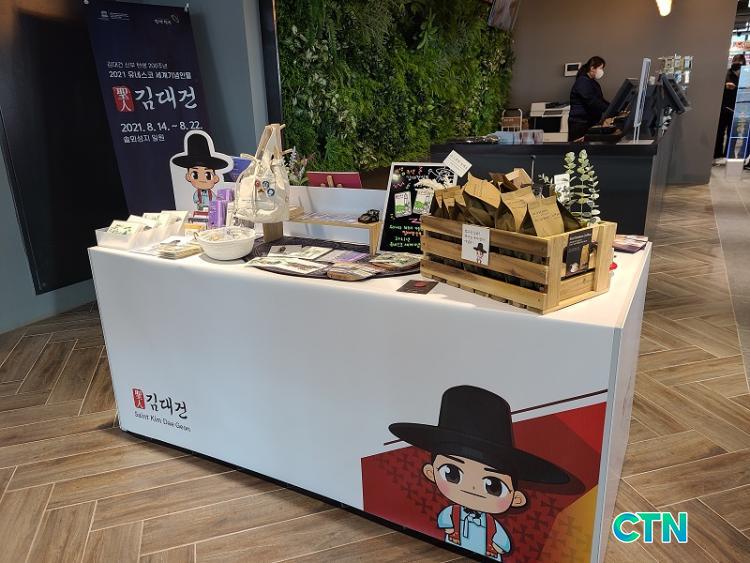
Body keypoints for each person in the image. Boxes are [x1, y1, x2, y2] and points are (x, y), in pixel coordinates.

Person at [714, 54, 746, 164]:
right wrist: (725, 86)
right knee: (720, 132)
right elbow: (718, 88)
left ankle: (729, 154)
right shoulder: (726, 73)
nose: (737, 64)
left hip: (737, 108)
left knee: (733, 133)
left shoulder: (745, 76)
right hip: (724, 107)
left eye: (739, 63)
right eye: (735, 62)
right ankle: (717, 154)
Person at [568, 56, 609, 141]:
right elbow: (592, 101)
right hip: (580, 124)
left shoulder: (592, 82)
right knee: (579, 148)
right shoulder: (582, 81)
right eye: (600, 68)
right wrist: (610, 110)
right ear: (592, 68)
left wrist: (613, 108)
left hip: (589, 122)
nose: (602, 71)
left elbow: (600, 100)